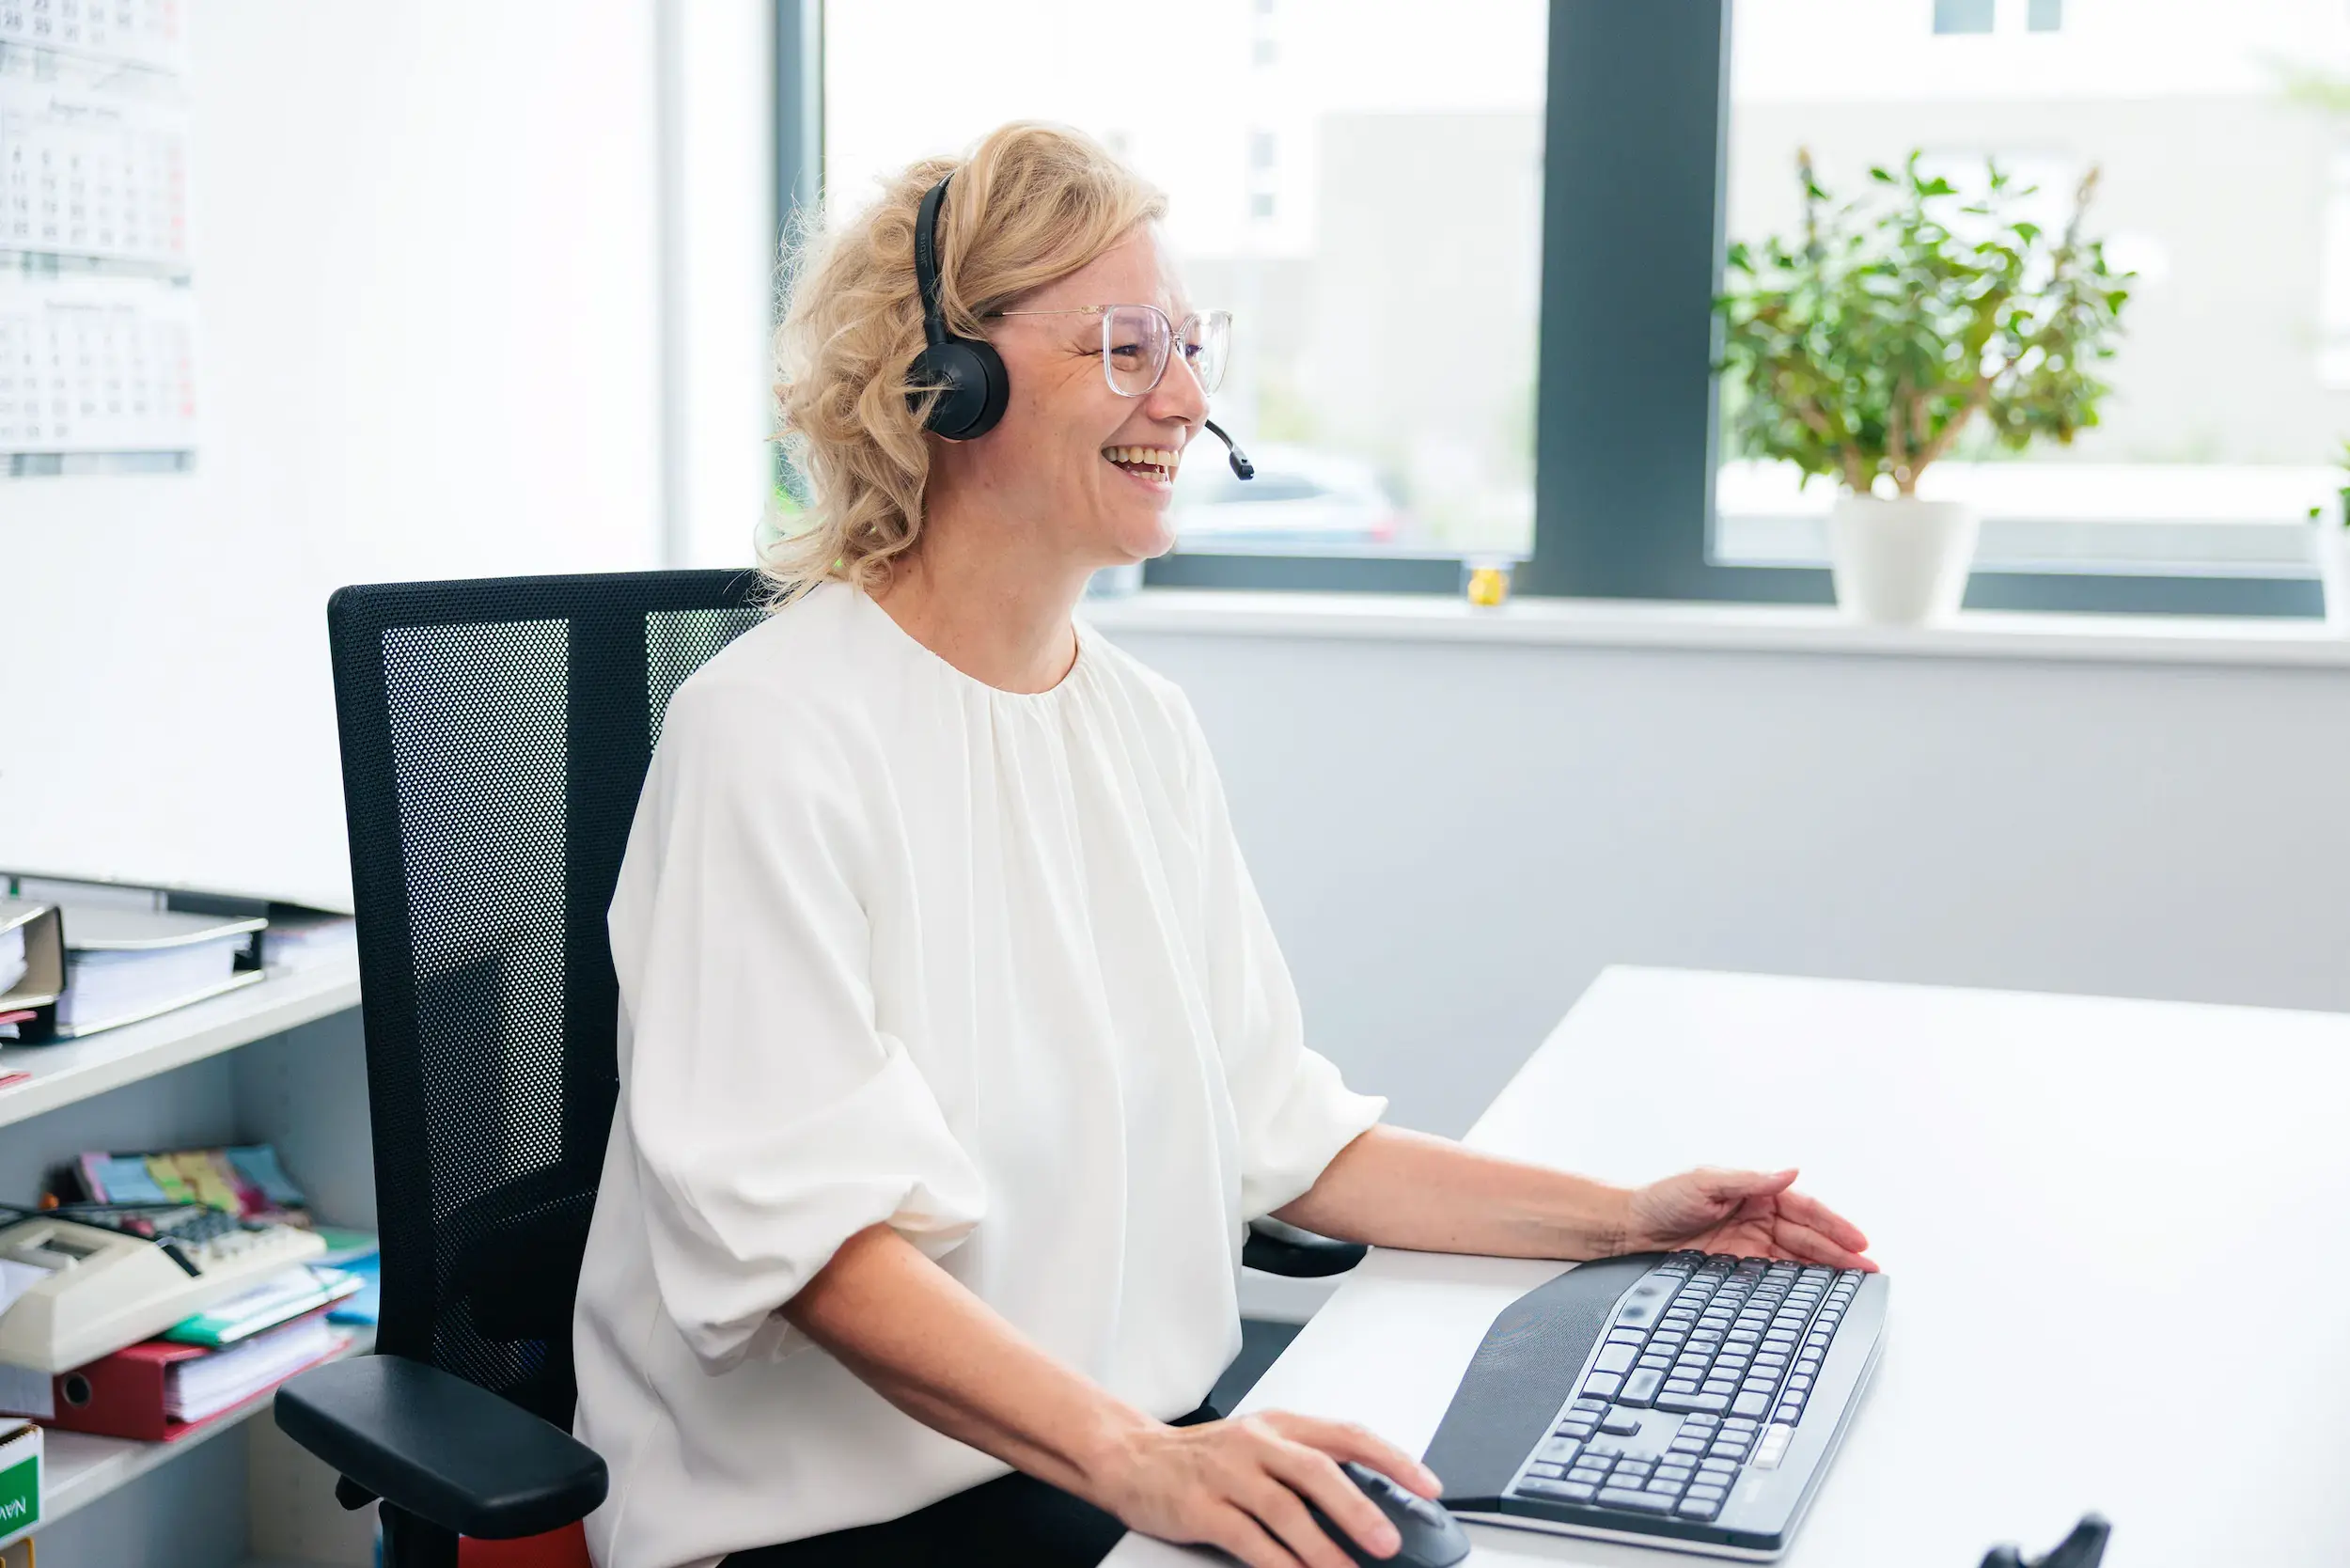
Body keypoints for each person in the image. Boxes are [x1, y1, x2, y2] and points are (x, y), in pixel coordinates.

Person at [571, 121, 1874, 1568]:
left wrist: (1626, 1220)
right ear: (948, 384)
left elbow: (1287, 1137)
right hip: (844, 1520)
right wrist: (1144, 1463)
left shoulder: (1142, 726)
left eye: (1191, 344)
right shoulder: (771, 733)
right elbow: (816, 1247)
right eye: (1127, 347)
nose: (1186, 399)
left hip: (1111, 1460)